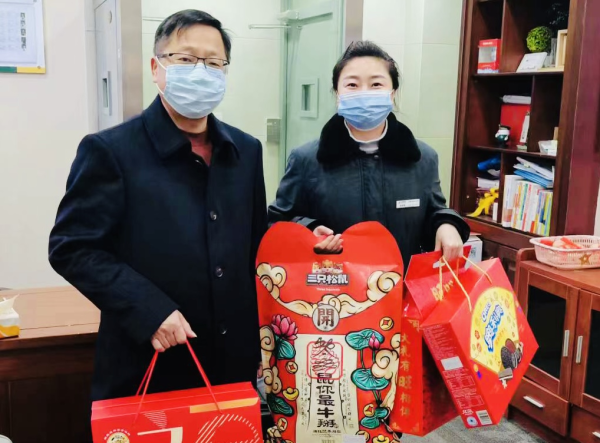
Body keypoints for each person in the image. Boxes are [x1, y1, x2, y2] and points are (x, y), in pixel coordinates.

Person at [49, 10, 267, 403]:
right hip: (149, 364)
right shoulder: (111, 151)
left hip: (231, 365)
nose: (200, 71)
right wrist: (148, 309)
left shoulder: (245, 151)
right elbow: (73, 247)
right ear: (156, 68)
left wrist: (304, 241)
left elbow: (255, 247)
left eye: (213, 62)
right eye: (185, 59)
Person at [269, 41, 469, 265]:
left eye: (376, 84)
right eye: (352, 85)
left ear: (392, 93)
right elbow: (277, 222)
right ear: (337, 94)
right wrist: (309, 230)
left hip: (401, 283)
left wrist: (446, 225)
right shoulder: (307, 159)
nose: (364, 93)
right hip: (333, 284)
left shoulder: (422, 158)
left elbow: (434, 211)